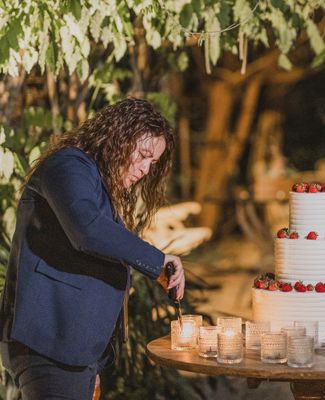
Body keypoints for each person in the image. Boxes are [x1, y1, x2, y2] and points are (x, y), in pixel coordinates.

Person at [0, 98, 186, 399]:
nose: (144, 169)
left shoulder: (97, 181)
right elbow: (88, 230)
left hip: (74, 351)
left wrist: (94, 360)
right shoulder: (68, 165)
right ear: (119, 137)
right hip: (48, 346)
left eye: (152, 164)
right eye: (142, 155)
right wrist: (158, 260)